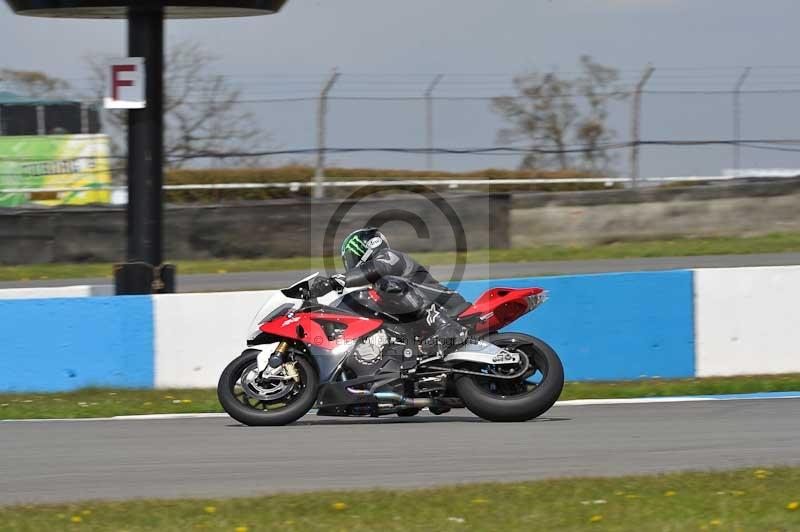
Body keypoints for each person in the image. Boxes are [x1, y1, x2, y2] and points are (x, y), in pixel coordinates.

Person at [310, 228, 471, 357]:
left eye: (352, 256)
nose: (351, 263)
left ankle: (447, 327)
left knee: (386, 284)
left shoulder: (388, 256)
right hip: (419, 326)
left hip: (448, 308)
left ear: (366, 247)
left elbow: (376, 269)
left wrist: (335, 281)